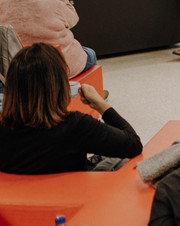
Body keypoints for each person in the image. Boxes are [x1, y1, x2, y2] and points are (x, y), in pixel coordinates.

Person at [0, 43, 142, 175]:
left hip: (20, 197)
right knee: (122, 160)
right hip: (74, 195)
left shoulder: (4, 126)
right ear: (60, 86)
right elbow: (133, 145)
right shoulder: (75, 125)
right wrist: (100, 104)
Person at [0, 0, 96, 78]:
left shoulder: (2, 4)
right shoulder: (52, 2)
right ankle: (90, 92)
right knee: (89, 53)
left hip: (18, 69)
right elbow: (73, 19)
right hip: (56, 67)